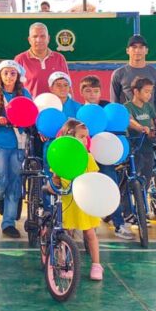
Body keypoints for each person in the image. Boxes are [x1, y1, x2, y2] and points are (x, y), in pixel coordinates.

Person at [79, 76, 132, 239]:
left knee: (111, 187)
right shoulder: (80, 111)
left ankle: (119, 223)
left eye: (95, 91)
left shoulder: (108, 108)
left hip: (106, 156)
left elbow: (121, 124)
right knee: (87, 190)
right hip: (86, 158)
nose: (92, 94)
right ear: (81, 92)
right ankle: (88, 225)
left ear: (100, 92)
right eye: (88, 91)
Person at [0, 60, 29, 238]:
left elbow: (30, 114)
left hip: (18, 144)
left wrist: (21, 120)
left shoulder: (24, 94)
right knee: (0, 179)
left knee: (15, 182)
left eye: (13, 73)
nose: (9, 76)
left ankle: (8, 223)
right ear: (0, 75)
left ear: (17, 76)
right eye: (6, 73)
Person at [53, 119, 103, 281]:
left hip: (85, 201)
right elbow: (56, 181)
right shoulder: (61, 157)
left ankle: (96, 264)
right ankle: (65, 262)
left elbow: (94, 177)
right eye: (81, 137)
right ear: (70, 136)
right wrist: (55, 177)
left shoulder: (88, 158)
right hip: (68, 201)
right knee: (66, 232)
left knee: (90, 233)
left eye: (86, 137)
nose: (85, 140)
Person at [124, 77, 156, 221]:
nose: (149, 95)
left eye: (151, 92)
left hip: (148, 147)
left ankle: (142, 209)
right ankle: (130, 210)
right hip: (135, 148)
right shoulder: (127, 107)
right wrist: (141, 128)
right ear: (136, 91)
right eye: (146, 92)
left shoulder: (149, 107)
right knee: (134, 180)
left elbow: (153, 122)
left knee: (147, 180)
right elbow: (130, 121)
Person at [110, 35, 156, 111]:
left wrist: (150, 118)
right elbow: (114, 102)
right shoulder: (118, 74)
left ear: (146, 50)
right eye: (134, 47)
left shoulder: (155, 73)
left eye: (141, 47)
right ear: (127, 50)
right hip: (126, 121)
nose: (137, 51)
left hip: (148, 121)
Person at [15, 22, 69, 98]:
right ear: (29, 39)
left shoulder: (59, 58)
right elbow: (14, 88)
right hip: (31, 107)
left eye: (42, 36)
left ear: (48, 38)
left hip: (56, 107)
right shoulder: (20, 59)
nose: (39, 40)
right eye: (35, 36)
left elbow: (68, 86)